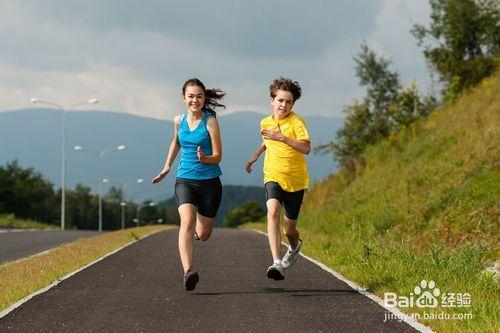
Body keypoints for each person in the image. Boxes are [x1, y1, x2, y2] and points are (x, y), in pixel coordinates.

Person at [152, 78, 224, 291]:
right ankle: (188, 271)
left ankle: (195, 235)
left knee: (204, 234)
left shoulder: (210, 121)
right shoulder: (178, 120)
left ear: (204, 98)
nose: (195, 100)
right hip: (185, 180)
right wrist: (166, 167)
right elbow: (176, 142)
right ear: (183, 97)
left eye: (199, 96)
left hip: (210, 182)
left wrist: (206, 158)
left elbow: (218, 156)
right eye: (191, 96)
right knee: (187, 221)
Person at [246, 77, 310, 280]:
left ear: (293, 104)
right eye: (280, 100)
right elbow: (268, 141)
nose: (284, 105)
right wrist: (255, 156)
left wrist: (283, 137)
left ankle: (293, 246)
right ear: (272, 100)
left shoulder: (296, 122)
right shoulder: (265, 122)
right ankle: (276, 262)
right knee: (272, 211)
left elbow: (306, 147)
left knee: (289, 228)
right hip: (272, 175)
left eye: (288, 102)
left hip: (296, 180)